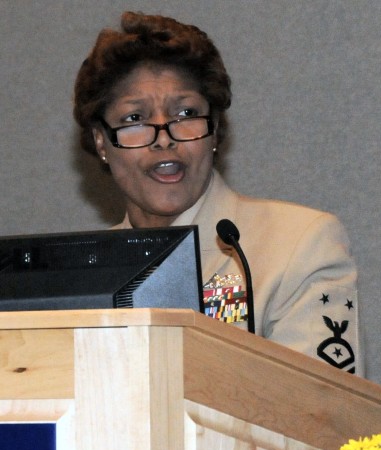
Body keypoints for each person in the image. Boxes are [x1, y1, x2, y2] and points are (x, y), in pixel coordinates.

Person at [73, 11, 362, 375]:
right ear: (101, 142)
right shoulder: (84, 272)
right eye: (135, 119)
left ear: (215, 131)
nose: (165, 139)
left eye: (186, 113)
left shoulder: (299, 245)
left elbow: (323, 415)